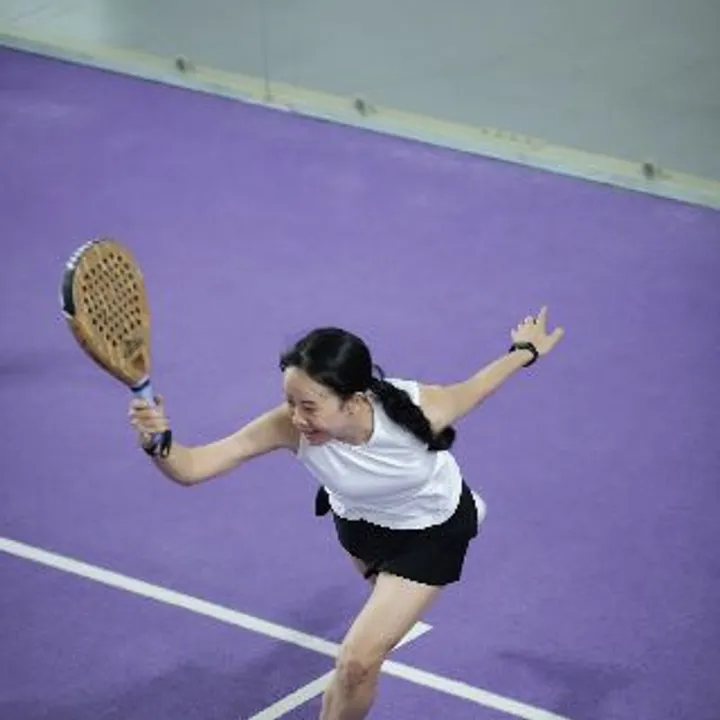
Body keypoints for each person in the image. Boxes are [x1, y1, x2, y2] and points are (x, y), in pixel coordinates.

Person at [128, 306, 564, 720]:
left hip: (431, 534)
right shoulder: (289, 426)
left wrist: (525, 350)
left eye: (309, 406)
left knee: (356, 662)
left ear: (353, 401)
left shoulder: (421, 408)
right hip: (361, 530)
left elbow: (479, 385)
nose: (296, 418)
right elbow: (193, 467)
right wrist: (158, 444)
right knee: (361, 654)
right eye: (290, 402)